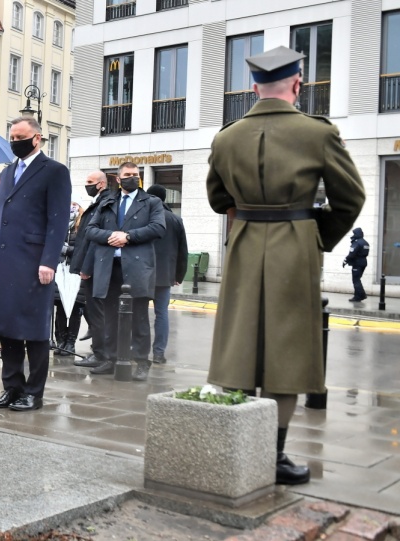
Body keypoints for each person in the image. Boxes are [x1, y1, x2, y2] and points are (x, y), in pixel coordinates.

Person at [206, 46, 366, 485]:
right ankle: (273, 457)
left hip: (243, 243)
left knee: (240, 344)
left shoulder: (226, 136)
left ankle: (238, 448)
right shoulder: (318, 133)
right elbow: (350, 198)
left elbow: (218, 199)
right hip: (295, 245)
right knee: (287, 349)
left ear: (253, 88)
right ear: (298, 84)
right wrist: (316, 236)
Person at [0, 117, 71, 412]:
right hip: (5, 262)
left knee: (34, 330)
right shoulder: (7, 173)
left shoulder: (55, 172)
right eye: (11, 136)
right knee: (6, 328)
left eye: (20, 136)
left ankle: (34, 391)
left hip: (34, 264)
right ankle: (12, 387)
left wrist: (49, 261)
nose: (14, 141)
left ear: (37, 139)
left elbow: (57, 223)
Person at [81, 162, 165, 381]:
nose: (132, 178)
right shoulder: (108, 201)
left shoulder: (151, 202)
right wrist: (111, 236)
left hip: (137, 268)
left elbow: (158, 228)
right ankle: (111, 359)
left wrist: (128, 237)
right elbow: (91, 229)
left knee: (139, 317)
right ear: (118, 179)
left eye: (135, 175)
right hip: (110, 267)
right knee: (110, 317)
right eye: (127, 175)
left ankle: (141, 362)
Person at [70, 171, 113, 369]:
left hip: (94, 267)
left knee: (96, 311)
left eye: (90, 182)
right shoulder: (99, 203)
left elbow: (93, 240)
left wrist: (85, 268)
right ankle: (100, 352)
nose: (86, 185)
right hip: (93, 265)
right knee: (96, 310)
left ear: (101, 184)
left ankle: (100, 354)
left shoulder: (103, 204)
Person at [145, 184, 188, 364]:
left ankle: (138, 351)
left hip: (142, 272)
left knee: (139, 314)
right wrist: (179, 275)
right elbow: (182, 250)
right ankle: (158, 353)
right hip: (165, 275)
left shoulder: (142, 217)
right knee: (161, 314)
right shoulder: (175, 219)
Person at [53, 202, 85, 357]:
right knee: (59, 307)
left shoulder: (82, 225)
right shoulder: (59, 223)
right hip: (60, 271)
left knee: (74, 308)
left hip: (74, 271)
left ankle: (70, 343)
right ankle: (61, 340)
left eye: (74, 204)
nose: (71, 206)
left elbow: (84, 247)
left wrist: (68, 250)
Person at [344, 228, 369, 302]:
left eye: (354, 233)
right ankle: (359, 295)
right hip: (363, 262)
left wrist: (346, 260)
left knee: (356, 280)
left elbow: (352, 254)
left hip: (357, 263)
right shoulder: (365, 243)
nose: (353, 235)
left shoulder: (357, 242)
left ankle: (359, 296)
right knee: (358, 279)